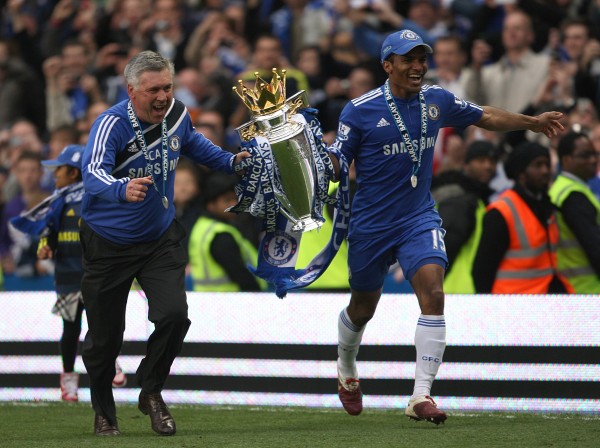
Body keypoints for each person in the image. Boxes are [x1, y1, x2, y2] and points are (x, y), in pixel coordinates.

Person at [326, 30, 565, 424]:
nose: (418, 66)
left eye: (422, 58)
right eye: (408, 59)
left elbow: (485, 115)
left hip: (418, 215)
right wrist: (315, 163)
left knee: (434, 292)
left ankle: (421, 396)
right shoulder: (359, 109)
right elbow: (339, 161)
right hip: (371, 223)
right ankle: (346, 364)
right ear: (388, 66)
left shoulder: (436, 100)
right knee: (363, 307)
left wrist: (533, 123)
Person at [79, 50, 250, 436]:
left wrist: (232, 162)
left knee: (174, 315)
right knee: (105, 337)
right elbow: (91, 174)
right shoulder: (111, 124)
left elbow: (194, 145)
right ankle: (103, 408)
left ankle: (151, 391)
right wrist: (122, 189)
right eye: (153, 89)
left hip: (158, 237)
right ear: (131, 90)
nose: (162, 97)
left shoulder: (176, 114)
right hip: (108, 242)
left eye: (168, 87)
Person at [9, 145, 127, 402]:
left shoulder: (96, 198)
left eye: (59, 170)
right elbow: (47, 233)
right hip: (68, 276)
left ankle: (110, 362)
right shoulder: (58, 202)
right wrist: (44, 247)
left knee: (101, 324)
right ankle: (68, 377)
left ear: (73, 173)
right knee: (71, 329)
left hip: (95, 273)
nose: (54, 176)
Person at [472, 141, 573, 295]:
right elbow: (482, 271)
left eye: (547, 164)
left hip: (544, 299)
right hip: (513, 305)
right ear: (521, 173)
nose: (545, 171)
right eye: (537, 165)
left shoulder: (545, 206)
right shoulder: (501, 211)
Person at [431, 140, 497, 294]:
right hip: (456, 291)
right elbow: (446, 247)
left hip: (458, 289)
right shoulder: (460, 200)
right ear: (466, 164)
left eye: (492, 161)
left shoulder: (476, 199)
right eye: (480, 160)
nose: (487, 166)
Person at [188, 172, 264, 292]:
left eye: (235, 199)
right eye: (227, 200)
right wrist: (257, 294)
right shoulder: (221, 235)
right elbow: (240, 274)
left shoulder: (203, 225)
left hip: (209, 299)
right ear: (210, 204)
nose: (233, 205)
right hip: (231, 301)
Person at [549, 131, 600, 293]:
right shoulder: (572, 196)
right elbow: (594, 245)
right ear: (566, 160)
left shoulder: (563, 189)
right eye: (585, 155)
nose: (593, 160)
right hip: (584, 290)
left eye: (594, 154)